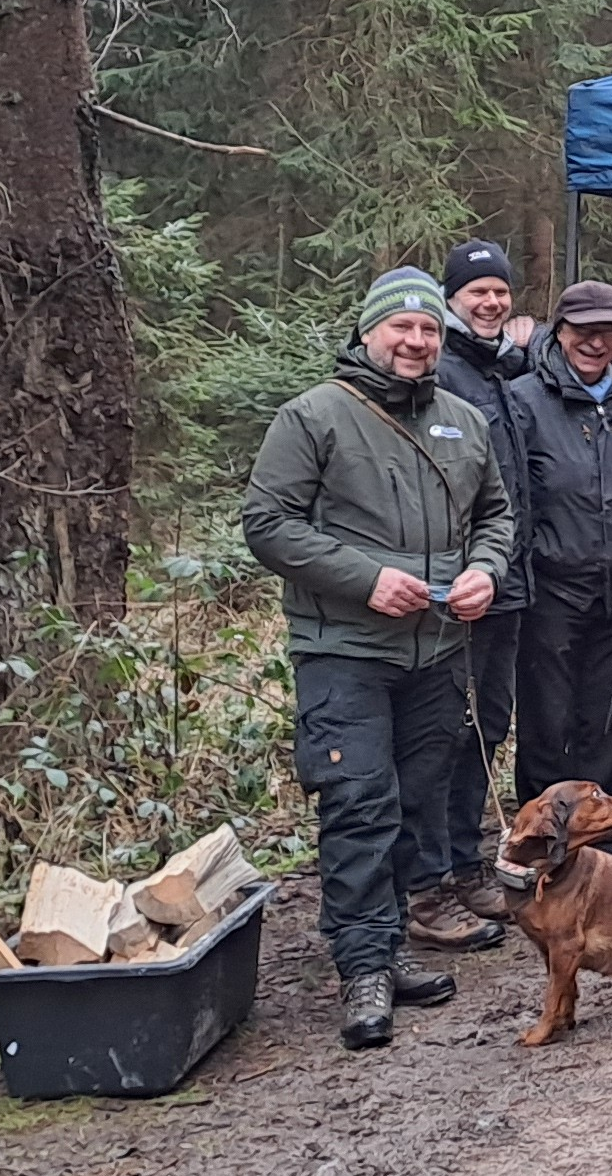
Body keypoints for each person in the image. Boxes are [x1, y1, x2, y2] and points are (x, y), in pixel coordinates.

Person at [242, 266, 514, 1049]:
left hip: (439, 650)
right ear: (369, 331)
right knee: (359, 801)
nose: (417, 340)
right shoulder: (314, 416)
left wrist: (485, 571)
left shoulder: (463, 419)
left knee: (413, 802)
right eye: (402, 327)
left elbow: (496, 513)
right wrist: (366, 579)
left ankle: (391, 945)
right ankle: (362, 965)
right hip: (345, 650)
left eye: (429, 329)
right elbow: (267, 523)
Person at [506, 280, 612, 806]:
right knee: (548, 719)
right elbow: (511, 497)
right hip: (552, 590)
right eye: (584, 331)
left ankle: (605, 844)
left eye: (609, 333)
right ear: (560, 332)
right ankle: (548, 840)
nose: (596, 343)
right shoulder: (525, 401)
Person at [428, 239, 535, 927]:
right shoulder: (439, 371)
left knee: (488, 724)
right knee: (447, 728)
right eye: (478, 292)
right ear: (452, 300)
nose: (492, 301)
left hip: (509, 578)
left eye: (500, 290)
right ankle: (435, 875)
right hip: (456, 585)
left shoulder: (499, 369)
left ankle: (465, 863)